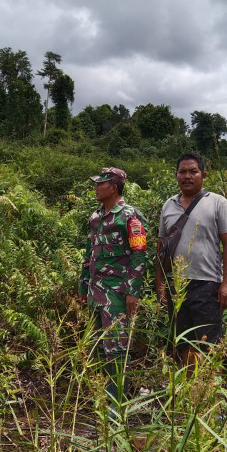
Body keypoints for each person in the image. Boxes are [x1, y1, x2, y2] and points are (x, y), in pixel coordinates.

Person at [77, 167, 147, 421]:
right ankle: (103, 399)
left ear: (114, 187)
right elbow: (89, 254)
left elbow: (139, 254)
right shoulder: (95, 217)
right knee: (99, 347)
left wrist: (132, 292)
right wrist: (83, 286)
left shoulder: (130, 216)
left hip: (117, 294)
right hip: (96, 293)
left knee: (116, 348)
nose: (95, 187)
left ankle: (116, 408)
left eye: (100, 184)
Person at [155, 152, 227, 364]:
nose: (187, 176)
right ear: (176, 175)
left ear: (203, 175)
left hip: (207, 284)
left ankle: (204, 390)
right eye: (182, 172)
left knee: (207, 342)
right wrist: (160, 282)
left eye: (193, 171)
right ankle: (185, 388)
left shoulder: (218, 203)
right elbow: (161, 246)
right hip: (177, 284)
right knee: (181, 341)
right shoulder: (169, 205)